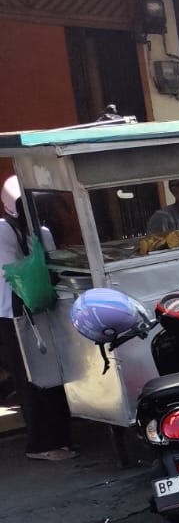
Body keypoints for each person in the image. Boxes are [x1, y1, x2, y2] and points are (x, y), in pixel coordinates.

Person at [0, 177, 75, 461]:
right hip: (14, 314)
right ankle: (42, 444)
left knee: (53, 374)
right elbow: (18, 273)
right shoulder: (3, 232)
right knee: (30, 378)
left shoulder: (41, 232)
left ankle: (61, 436)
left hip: (44, 309)